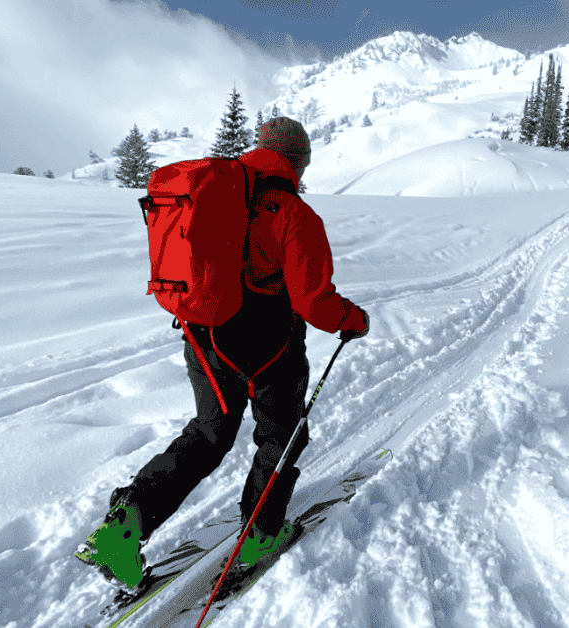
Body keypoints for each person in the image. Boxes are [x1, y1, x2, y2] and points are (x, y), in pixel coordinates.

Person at [82, 116, 369, 585]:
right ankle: (260, 534)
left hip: (202, 336)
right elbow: (313, 303)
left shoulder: (212, 198)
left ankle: (122, 529)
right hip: (268, 349)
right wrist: (353, 321)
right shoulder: (295, 215)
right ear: (298, 162)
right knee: (281, 434)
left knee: (209, 434)